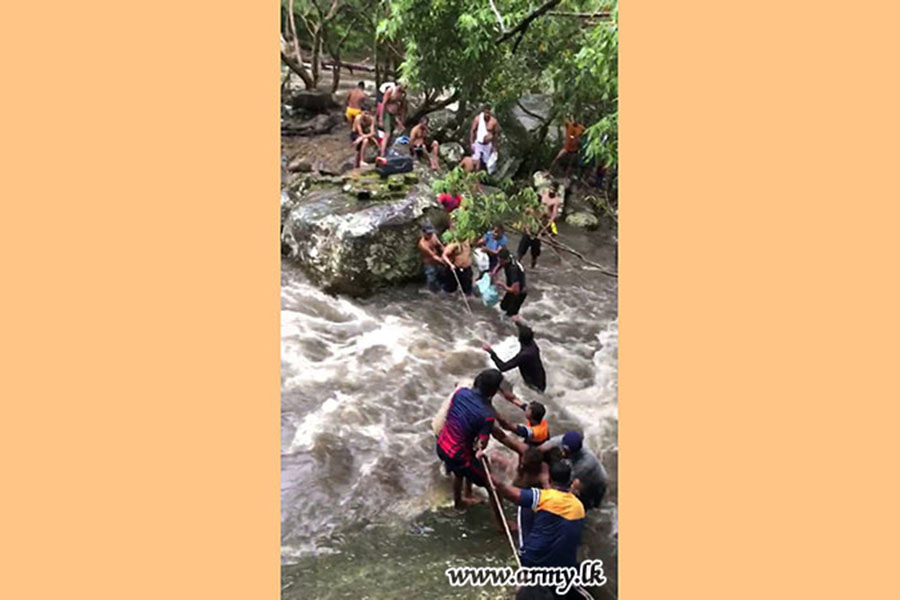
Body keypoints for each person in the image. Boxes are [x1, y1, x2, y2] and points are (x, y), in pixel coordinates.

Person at [490, 459, 586, 569]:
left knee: (525, 506)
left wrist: (486, 468)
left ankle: (525, 563)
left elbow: (504, 489)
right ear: (570, 481)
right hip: (564, 566)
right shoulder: (579, 506)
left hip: (534, 563)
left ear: (550, 479)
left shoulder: (541, 497)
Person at [436, 369, 504, 509]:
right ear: (493, 391)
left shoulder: (460, 393)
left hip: (442, 445)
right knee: (493, 485)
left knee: (459, 470)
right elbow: (482, 444)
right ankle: (502, 526)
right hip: (458, 456)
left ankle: (460, 501)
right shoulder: (487, 414)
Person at [539, 431, 608, 510]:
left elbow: (566, 483)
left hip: (596, 483)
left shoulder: (586, 462)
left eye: (567, 452)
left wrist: (545, 481)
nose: (563, 453)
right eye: (563, 449)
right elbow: (542, 448)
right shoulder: (563, 439)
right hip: (579, 475)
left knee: (591, 507)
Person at [482, 322, 546, 392]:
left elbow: (503, 367)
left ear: (519, 340)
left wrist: (491, 352)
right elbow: (527, 333)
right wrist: (518, 323)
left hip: (534, 385)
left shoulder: (524, 355)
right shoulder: (532, 345)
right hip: (541, 379)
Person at [495, 248, 527, 319]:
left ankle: (517, 322)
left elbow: (515, 291)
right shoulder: (510, 257)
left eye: (501, 261)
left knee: (510, 315)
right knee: (503, 306)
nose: (499, 263)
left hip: (519, 293)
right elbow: (500, 264)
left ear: (506, 260)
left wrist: (502, 285)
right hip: (512, 286)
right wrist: (494, 272)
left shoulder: (512, 270)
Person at [469, 105, 501, 172]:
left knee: (486, 162)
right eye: (485, 113)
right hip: (478, 143)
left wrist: (495, 147)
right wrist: (472, 143)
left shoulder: (494, 121)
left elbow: (496, 135)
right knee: (476, 160)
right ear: (483, 112)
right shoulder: (478, 119)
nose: (487, 115)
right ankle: (474, 176)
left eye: (488, 113)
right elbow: (473, 131)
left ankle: (482, 177)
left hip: (488, 145)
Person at [379, 83, 408, 156]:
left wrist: (402, 119)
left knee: (392, 134)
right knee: (387, 134)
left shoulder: (402, 95)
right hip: (387, 114)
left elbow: (403, 107)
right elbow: (383, 104)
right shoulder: (390, 91)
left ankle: (388, 152)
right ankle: (382, 154)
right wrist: (381, 118)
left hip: (394, 115)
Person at [418, 224, 445, 293]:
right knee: (431, 278)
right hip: (429, 262)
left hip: (437, 260)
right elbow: (432, 256)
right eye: (428, 234)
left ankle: (440, 289)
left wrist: (446, 254)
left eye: (431, 233)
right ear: (423, 233)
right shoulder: (422, 244)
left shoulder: (433, 236)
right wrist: (444, 261)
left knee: (442, 275)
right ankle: (431, 291)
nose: (430, 235)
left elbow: (440, 245)